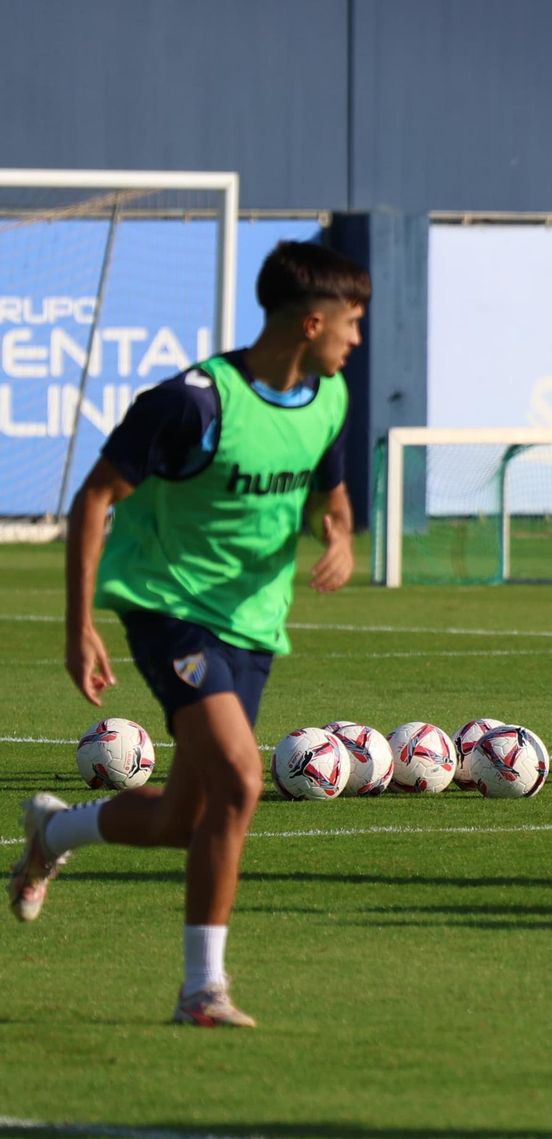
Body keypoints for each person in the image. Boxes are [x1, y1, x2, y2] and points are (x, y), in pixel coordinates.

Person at [9, 240, 368, 1028]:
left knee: (187, 817)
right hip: (166, 603)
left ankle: (53, 830)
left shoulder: (330, 398)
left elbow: (328, 498)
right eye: (354, 319)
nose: (359, 336)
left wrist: (336, 536)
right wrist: (79, 626)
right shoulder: (193, 402)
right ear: (312, 321)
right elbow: (94, 500)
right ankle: (202, 990)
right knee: (241, 781)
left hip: (253, 623)